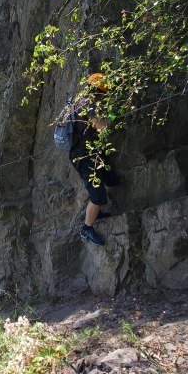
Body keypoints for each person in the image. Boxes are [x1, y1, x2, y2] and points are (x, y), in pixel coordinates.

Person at [70, 72, 121, 246]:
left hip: (93, 152)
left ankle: (95, 211)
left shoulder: (83, 100)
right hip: (83, 155)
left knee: (112, 181)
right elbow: (100, 127)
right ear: (98, 91)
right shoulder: (88, 102)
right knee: (98, 195)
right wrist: (113, 119)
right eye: (104, 92)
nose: (106, 95)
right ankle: (86, 229)